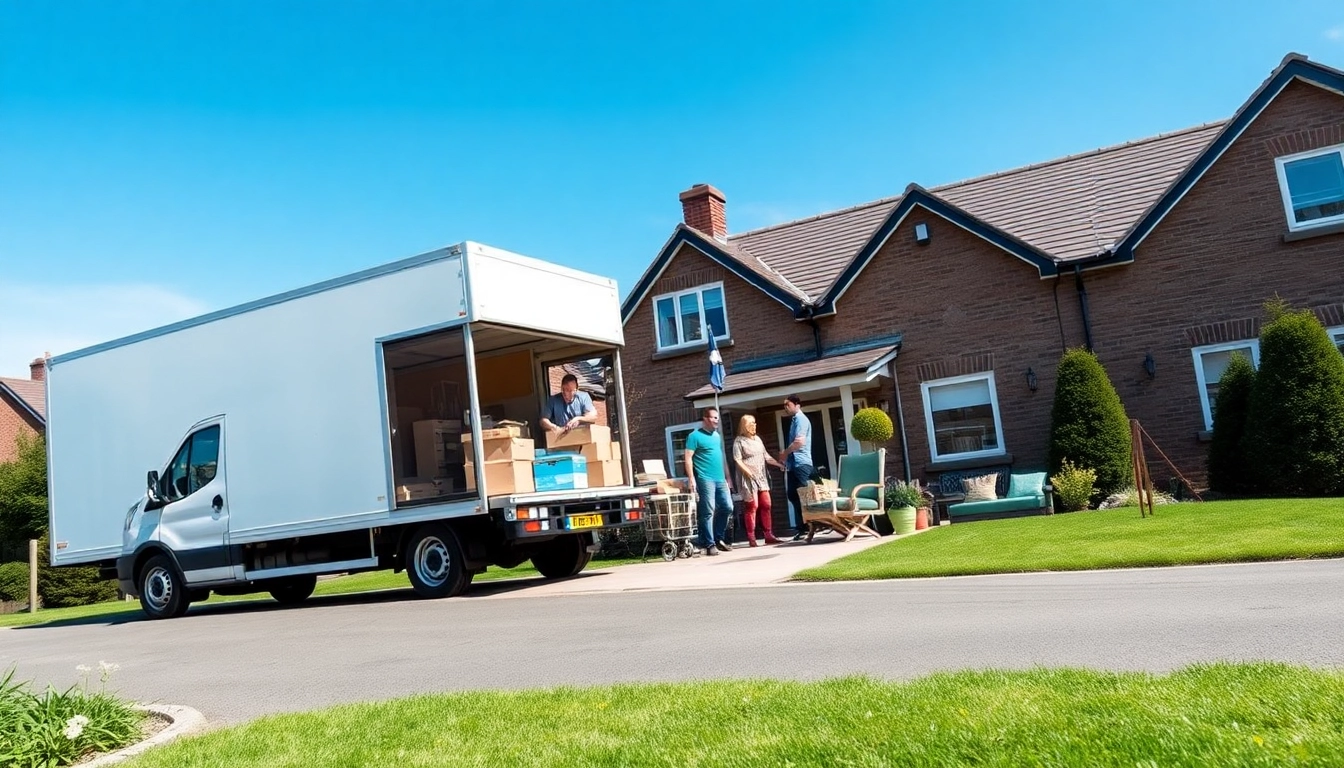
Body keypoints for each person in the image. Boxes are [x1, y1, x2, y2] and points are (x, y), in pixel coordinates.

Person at [684, 406, 734, 556]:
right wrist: (691, 478)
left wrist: (728, 478)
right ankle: (708, 544)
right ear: (705, 419)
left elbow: (722, 457)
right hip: (705, 478)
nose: (716, 420)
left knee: (727, 507)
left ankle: (718, 538)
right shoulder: (694, 436)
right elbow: (688, 458)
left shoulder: (716, 436)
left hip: (720, 479)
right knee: (708, 511)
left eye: (717, 417)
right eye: (713, 417)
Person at [732, 414, 785, 546]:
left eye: (755, 423)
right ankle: (751, 537)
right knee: (752, 506)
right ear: (744, 426)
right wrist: (747, 471)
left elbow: (765, 456)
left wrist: (779, 464)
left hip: (761, 477)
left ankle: (768, 534)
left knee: (766, 504)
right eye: (751, 423)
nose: (754, 426)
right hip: (749, 478)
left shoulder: (758, 440)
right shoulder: (739, 441)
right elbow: (737, 459)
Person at [776, 394, 815, 541]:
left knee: (802, 496)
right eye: (784, 405)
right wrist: (786, 461)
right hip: (794, 464)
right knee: (793, 494)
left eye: (788, 405)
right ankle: (804, 526)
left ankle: (809, 526)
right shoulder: (794, 420)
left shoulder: (800, 419)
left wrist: (785, 453)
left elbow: (799, 442)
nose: (785, 408)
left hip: (802, 463)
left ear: (797, 404)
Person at [540, 373, 599, 437]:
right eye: (564, 390)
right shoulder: (553, 400)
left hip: (581, 437)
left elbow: (593, 417)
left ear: (576, 389)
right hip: (561, 438)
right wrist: (555, 428)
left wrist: (578, 419)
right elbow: (543, 421)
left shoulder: (584, 397)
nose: (567, 395)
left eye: (570, 390)